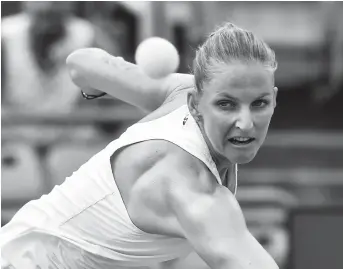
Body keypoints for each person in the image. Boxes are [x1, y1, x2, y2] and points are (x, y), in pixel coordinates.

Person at [0, 22, 279, 269]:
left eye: (259, 103)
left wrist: (101, 83)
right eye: (226, 105)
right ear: (196, 105)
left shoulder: (181, 91)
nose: (245, 123)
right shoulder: (190, 190)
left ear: (274, 98)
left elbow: (80, 62)